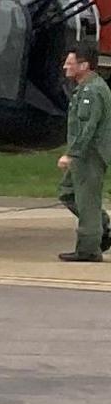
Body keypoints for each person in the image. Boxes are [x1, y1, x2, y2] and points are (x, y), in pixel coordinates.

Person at [66, 44, 110, 262]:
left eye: (70, 63)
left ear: (84, 65)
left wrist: (72, 153)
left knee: (87, 200)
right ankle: (101, 227)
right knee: (67, 192)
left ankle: (89, 249)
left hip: (89, 155)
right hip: (83, 154)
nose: (65, 66)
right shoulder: (85, 88)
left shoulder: (92, 91)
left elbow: (88, 127)